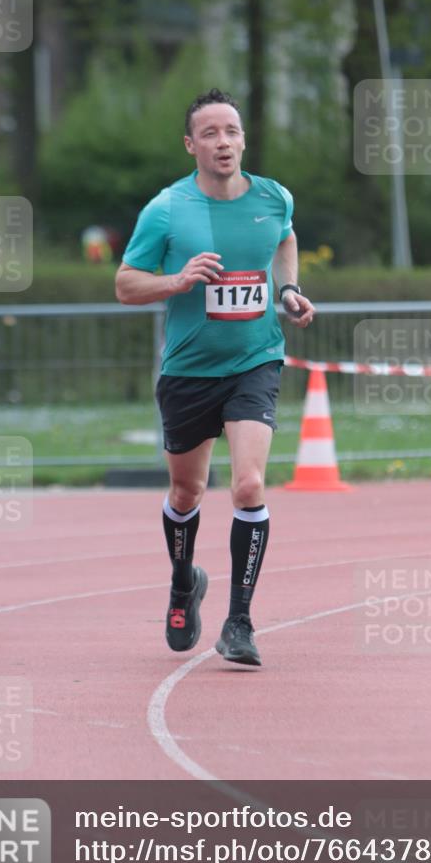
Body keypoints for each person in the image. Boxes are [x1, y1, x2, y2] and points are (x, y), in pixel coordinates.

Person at [115, 88, 315, 667]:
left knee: (248, 486)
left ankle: (240, 621)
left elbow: (285, 238)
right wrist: (177, 281)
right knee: (187, 492)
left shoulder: (274, 197)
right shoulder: (166, 209)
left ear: (243, 138)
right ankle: (184, 583)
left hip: (255, 361)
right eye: (210, 133)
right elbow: (126, 284)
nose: (223, 142)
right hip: (187, 371)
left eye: (231, 131)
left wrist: (290, 289)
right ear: (190, 145)